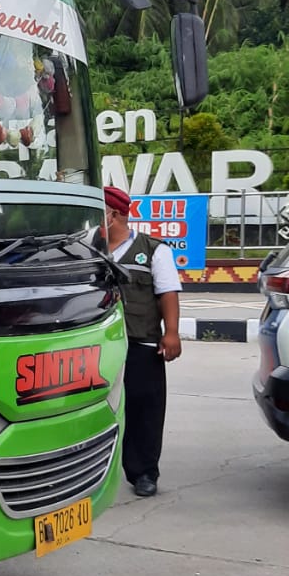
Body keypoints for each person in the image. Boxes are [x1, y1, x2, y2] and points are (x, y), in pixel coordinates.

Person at [100, 185, 182, 497]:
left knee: (144, 410)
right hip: (97, 345)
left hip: (140, 343)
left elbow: (167, 292)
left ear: (114, 215)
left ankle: (144, 472)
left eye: (99, 214)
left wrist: (171, 333)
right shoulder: (88, 249)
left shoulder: (152, 249)